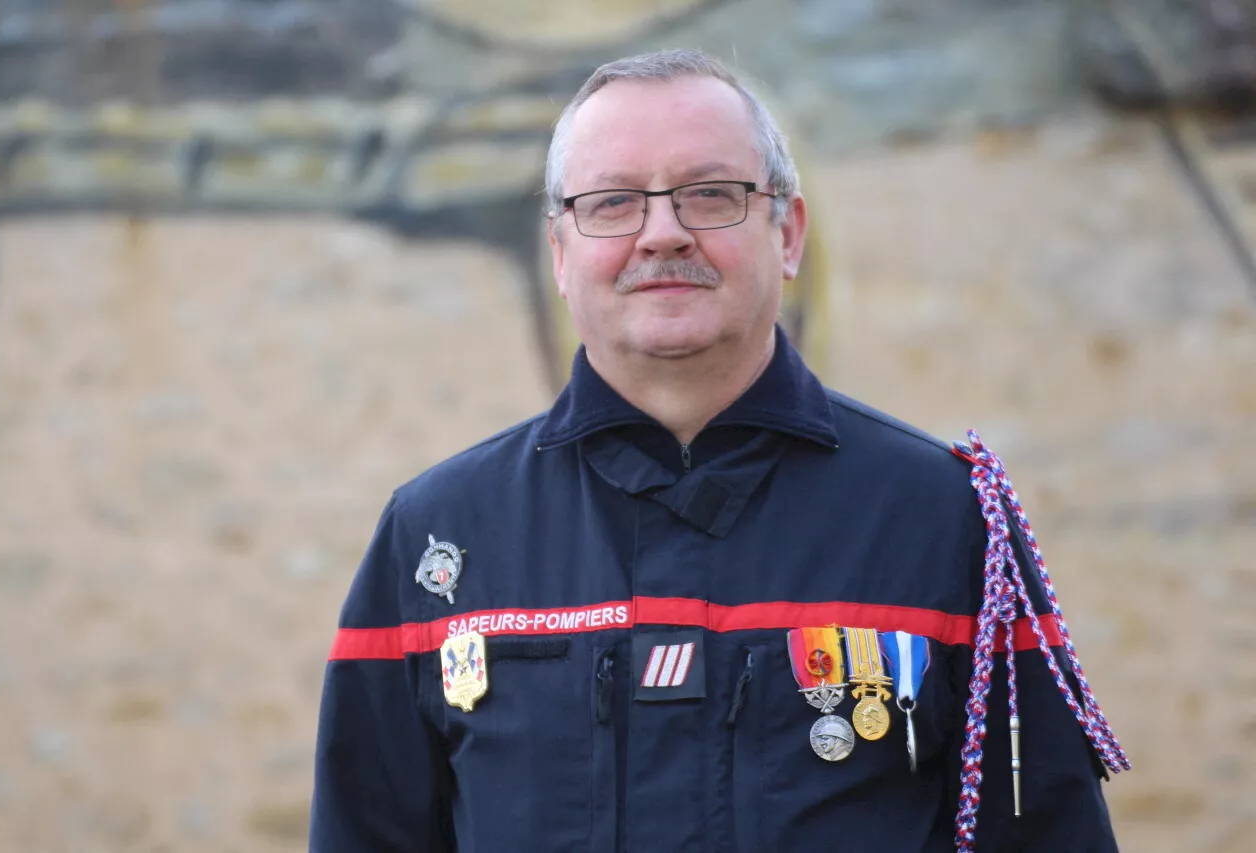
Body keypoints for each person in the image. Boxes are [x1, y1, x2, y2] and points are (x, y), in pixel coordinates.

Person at [309, 49, 1128, 852]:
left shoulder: (947, 521)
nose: (662, 234)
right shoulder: (436, 539)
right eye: (613, 201)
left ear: (789, 232)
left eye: (710, 194)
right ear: (559, 251)